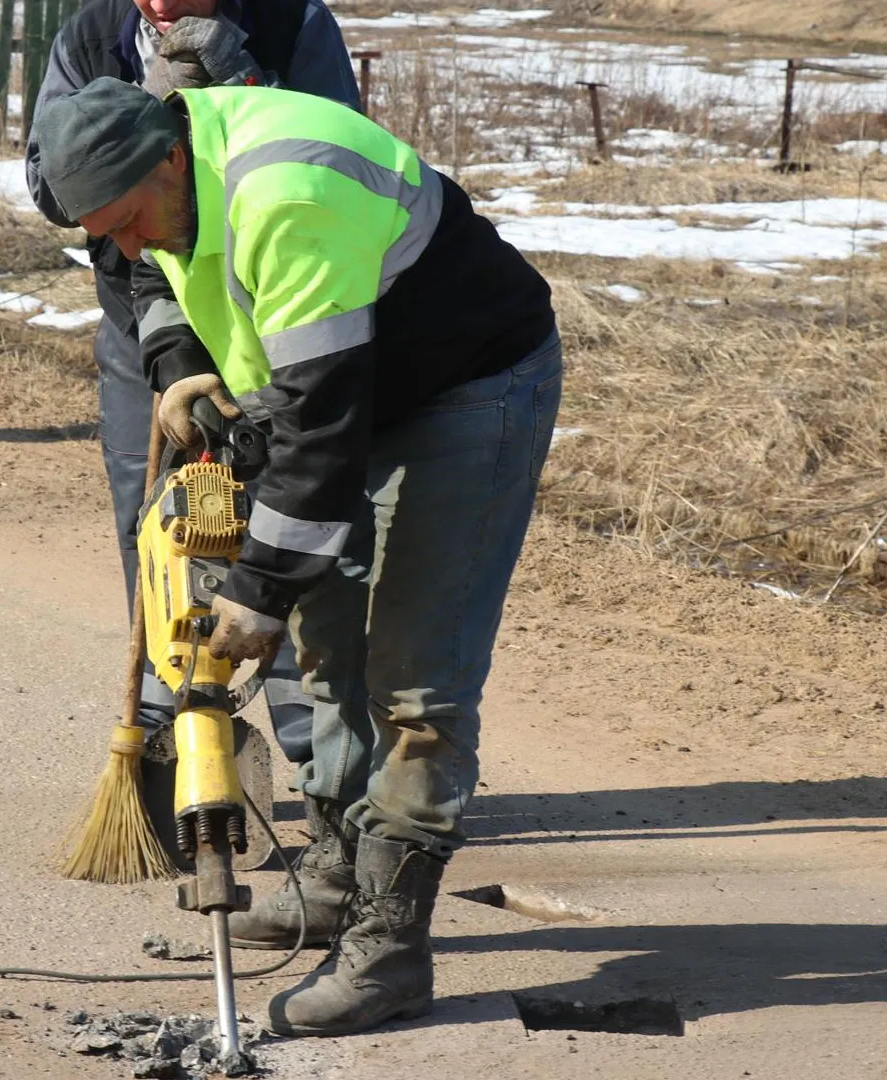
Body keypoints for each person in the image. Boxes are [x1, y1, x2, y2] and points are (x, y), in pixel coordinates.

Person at [31, 80, 562, 1036]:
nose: (124, 245)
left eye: (128, 220)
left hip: (466, 390)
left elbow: (320, 431)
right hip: (348, 382)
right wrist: (180, 362)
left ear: (167, 161)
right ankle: (331, 872)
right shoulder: (153, 189)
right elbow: (149, 274)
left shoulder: (289, 194)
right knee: (330, 645)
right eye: (98, 233)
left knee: (414, 681)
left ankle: (392, 946)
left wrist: (258, 593)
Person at [22, 0, 361, 837]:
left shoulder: (290, 27)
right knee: (160, 531)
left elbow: (324, 150)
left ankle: (319, 779)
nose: (163, 5)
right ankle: (173, 765)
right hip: (149, 322)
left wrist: (237, 87)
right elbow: (48, 183)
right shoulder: (94, 37)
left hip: (273, 315)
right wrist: (142, 119)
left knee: (283, 530)